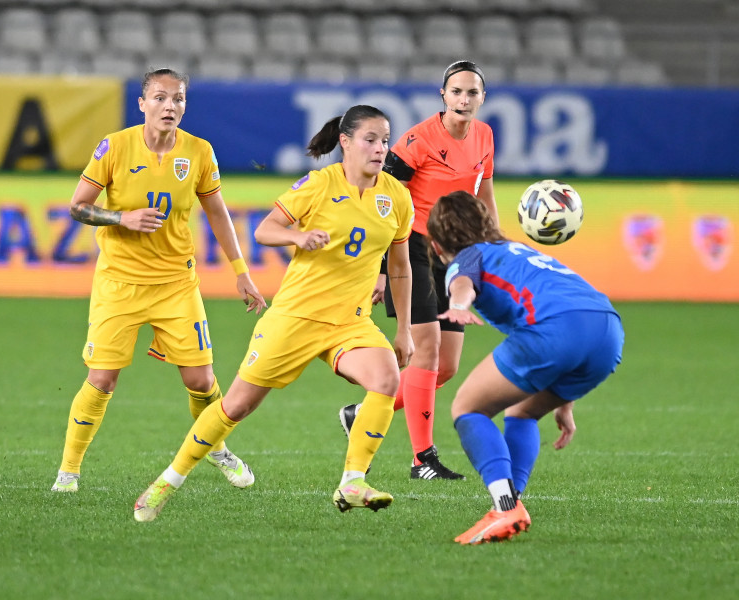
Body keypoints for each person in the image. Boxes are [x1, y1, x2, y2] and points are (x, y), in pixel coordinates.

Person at [132, 105, 415, 522]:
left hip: (350, 322)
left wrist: (404, 330)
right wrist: (299, 235)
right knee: (236, 407)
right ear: (346, 142)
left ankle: (353, 481)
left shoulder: (397, 196)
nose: (380, 148)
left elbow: (401, 267)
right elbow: (265, 230)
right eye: (370, 139)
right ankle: (165, 482)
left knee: (387, 377)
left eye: (385, 140)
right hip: (295, 317)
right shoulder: (319, 185)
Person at [50, 68, 266, 494]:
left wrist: (241, 272)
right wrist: (120, 218)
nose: (170, 106)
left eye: (179, 99)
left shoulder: (200, 152)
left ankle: (217, 448)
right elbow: (77, 207)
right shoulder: (115, 147)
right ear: (143, 103)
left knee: (201, 381)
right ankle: (68, 470)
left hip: (176, 284)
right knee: (102, 379)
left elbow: (217, 213)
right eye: (161, 98)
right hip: (120, 282)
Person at [426, 190, 624, 544]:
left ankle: (505, 507)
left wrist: (458, 304)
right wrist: (563, 402)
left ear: (438, 246)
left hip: (557, 329)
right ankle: (511, 499)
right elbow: (562, 302)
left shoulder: (468, 256)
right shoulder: (520, 250)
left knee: (467, 408)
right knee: (522, 411)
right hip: (607, 330)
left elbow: (462, 282)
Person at [340, 60, 497, 480]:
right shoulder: (418, 141)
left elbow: (485, 190)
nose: (464, 99)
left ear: (483, 98)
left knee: (445, 366)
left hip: (454, 253)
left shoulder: (484, 135)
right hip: (411, 248)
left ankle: (362, 413)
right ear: (442, 96)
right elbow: (382, 196)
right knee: (425, 353)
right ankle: (421, 459)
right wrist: (378, 267)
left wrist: (493, 240)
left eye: (472, 93)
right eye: (457, 92)